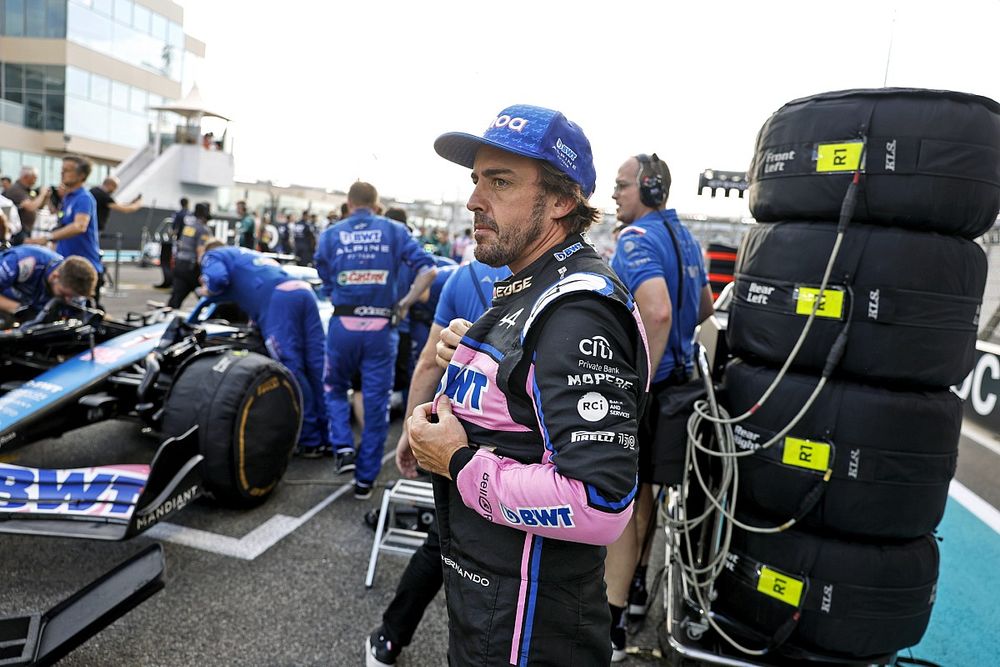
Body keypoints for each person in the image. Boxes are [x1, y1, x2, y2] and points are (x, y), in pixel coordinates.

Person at [407, 104, 649, 666]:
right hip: (488, 601)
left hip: (527, 629)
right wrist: (477, 354)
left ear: (561, 201)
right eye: (476, 181)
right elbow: (531, 393)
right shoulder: (535, 283)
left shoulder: (577, 309)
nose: (474, 200)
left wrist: (460, 463)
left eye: (500, 182)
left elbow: (600, 503)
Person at [366, 259, 509, 667]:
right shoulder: (575, 275)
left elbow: (429, 361)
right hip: (527, 450)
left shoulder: (463, 276)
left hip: (460, 437)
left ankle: (390, 639)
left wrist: (413, 432)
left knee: (444, 543)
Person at [605, 153, 714, 659]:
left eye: (622, 186)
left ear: (649, 189)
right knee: (647, 497)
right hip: (681, 388)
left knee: (626, 504)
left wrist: (634, 387)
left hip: (651, 391)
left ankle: (612, 623)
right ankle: (638, 589)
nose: (614, 195)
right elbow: (706, 309)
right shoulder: (687, 237)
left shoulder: (635, 239)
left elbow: (659, 311)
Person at [314, 181, 436, 500]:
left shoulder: (331, 234)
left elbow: (322, 273)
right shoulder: (393, 231)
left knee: (334, 387)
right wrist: (404, 304)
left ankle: (342, 446)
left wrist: (336, 293)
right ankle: (365, 481)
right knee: (375, 402)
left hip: (343, 324)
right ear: (376, 203)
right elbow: (428, 270)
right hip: (381, 327)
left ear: (349, 203)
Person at [198, 243, 328, 453]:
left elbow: (218, 278)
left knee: (290, 368)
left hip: (279, 301)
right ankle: (329, 434)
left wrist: (206, 288)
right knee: (316, 366)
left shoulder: (212, 255)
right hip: (303, 291)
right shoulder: (247, 255)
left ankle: (309, 439)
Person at [25, 156, 104, 306]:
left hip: (83, 270)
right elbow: (60, 222)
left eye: (67, 170)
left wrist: (46, 238)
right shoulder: (68, 198)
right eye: (62, 170)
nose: (62, 173)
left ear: (81, 175)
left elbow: (79, 226)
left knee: (85, 316)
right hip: (67, 268)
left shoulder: (84, 198)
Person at [0, 246, 97, 317]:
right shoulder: (21, 262)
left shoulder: (74, 292)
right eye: (63, 294)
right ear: (55, 277)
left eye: (73, 296)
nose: (68, 300)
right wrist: (19, 309)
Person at [168, 202, 213, 309]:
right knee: (206, 298)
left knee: (175, 299)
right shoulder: (203, 229)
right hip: (192, 269)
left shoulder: (189, 227)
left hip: (180, 265)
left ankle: (165, 319)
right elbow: (200, 251)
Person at [3, 166, 50, 246]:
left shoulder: (28, 190)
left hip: (25, 230)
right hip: (17, 231)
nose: (35, 181)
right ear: (26, 177)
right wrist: (42, 194)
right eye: (34, 178)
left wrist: (45, 197)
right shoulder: (16, 189)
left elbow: (39, 207)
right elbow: (31, 207)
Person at [155, 197, 189, 289]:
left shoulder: (178, 214)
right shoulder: (190, 215)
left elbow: (174, 229)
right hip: (188, 243)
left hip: (178, 242)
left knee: (171, 262)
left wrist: (172, 235)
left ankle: (171, 281)